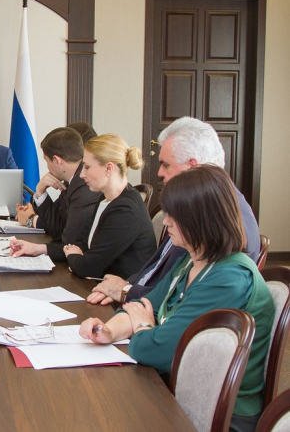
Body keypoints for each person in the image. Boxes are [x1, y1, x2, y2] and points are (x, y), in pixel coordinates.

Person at [80, 165, 274, 432]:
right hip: (179, 385)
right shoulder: (191, 259)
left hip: (221, 413)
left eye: (174, 215)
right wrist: (109, 331)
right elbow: (141, 306)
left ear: (202, 219)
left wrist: (144, 327)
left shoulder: (229, 278)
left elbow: (154, 350)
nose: (166, 222)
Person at [88, 116, 261, 305]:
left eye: (166, 164)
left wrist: (126, 292)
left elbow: (182, 297)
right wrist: (124, 287)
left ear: (192, 167)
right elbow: (156, 270)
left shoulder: (221, 217)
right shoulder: (195, 206)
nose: (159, 173)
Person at [11, 134, 156, 279]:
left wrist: (74, 255)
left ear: (109, 169)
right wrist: (36, 249)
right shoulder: (105, 198)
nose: (81, 174)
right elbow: (83, 245)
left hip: (116, 289)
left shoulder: (125, 210)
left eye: (87, 167)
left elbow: (86, 267)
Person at [15, 123, 100, 239]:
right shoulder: (70, 180)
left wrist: (30, 219)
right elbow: (57, 219)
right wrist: (40, 192)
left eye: (47, 161)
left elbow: (65, 233)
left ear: (57, 160)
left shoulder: (84, 184)